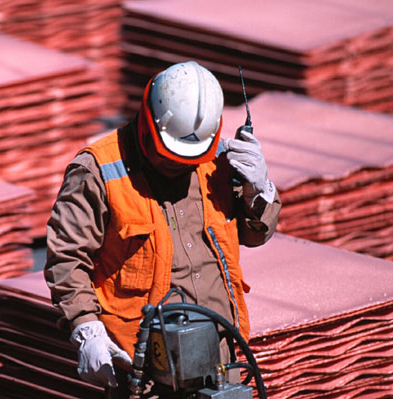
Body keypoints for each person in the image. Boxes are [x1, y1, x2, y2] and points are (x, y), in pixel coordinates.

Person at [44, 61, 280, 397]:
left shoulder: (219, 159)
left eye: (187, 162)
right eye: (168, 157)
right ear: (148, 125)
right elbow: (66, 257)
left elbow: (256, 234)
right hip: (144, 372)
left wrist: (260, 190)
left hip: (220, 357)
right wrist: (85, 327)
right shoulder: (98, 170)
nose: (177, 167)